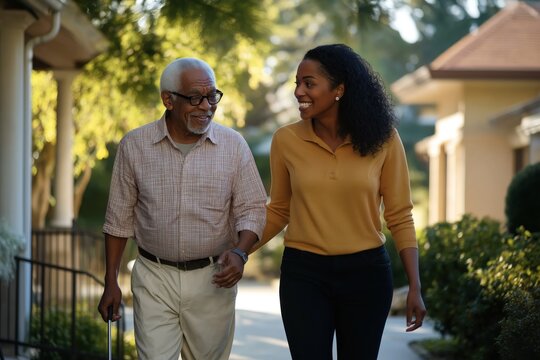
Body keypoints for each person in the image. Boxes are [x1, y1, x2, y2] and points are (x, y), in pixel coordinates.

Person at [250, 44, 427, 359]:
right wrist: (238, 251)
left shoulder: (384, 139)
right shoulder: (286, 140)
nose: (298, 91)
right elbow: (279, 210)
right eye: (296, 83)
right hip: (304, 274)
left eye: (308, 83)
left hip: (366, 275)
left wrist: (415, 286)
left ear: (339, 89)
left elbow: (400, 215)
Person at [97, 57, 267, 360]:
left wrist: (241, 252)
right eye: (195, 98)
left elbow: (252, 208)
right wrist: (111, 281)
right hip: (154, 276)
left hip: (213, 277)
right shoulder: (134, 146)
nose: (206, 106)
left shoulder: (234, 145)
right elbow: (118, 220)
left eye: (212, 96)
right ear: (169, 100)